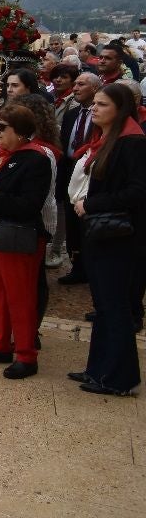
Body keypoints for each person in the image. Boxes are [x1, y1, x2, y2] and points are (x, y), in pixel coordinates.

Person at [0, 104, 55, 378]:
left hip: (18, 237)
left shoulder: (36, 159)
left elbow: (29, 205)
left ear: (21, 132)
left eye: (2, 127)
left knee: (20, 297)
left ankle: (26, 355)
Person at [71, 83, 146, 395]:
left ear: (120, 109)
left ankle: (118, 377)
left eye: (102, 104)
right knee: (103, 304)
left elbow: (137, 192)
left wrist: (91, 204)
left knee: (114, 306)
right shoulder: (106, 140)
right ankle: (99, 368)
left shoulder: (133, 143)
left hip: (119, 237)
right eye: (95, 104)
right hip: (101, 233)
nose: (94, 109)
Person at [58, 72, 101, 285]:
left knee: (86, 223)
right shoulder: (71, 114)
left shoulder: (100, 116)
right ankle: (76, 264)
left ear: (94, 88)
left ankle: (90, 266)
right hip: (69, 172)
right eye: (74, 84)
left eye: (81, 84)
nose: (75, 88)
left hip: (89, 175)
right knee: (71, 222)